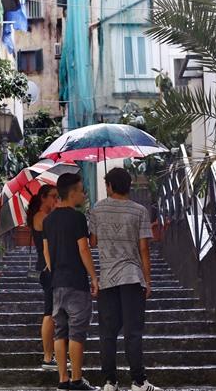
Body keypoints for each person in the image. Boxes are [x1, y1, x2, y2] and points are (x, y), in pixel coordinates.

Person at [89, 168, 162, 391]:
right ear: (128, 185)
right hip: (132, 277)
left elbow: (92, 242)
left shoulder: (97, 209)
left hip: (107, 279)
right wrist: (148, 280)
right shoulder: (140, 211)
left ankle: (110, 382)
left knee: (107, 333)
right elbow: (143, 249)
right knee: (133, 332)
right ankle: (139, 382)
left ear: (109, 186)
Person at [43, 173, 99, 391]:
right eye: (82, 190)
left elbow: (47, 252)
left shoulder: (48, 220)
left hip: (57, 283)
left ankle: (63, 380)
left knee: (61, 331)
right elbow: (84, 249)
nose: (84, 194)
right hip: (76, 282)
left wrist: (54, 271)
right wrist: (94, 277)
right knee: (77, 332)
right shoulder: (77, 218)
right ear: (72, 192)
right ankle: (77, 380)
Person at [28, 184, 60, 370]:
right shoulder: (42, 217)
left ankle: (52, 355)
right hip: (47, 269)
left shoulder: (44, 216)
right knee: (49, 313)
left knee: (53, 312)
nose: (55, 199)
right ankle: (48, 357)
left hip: (48, 268)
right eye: (53, 196)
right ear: (43, 197)